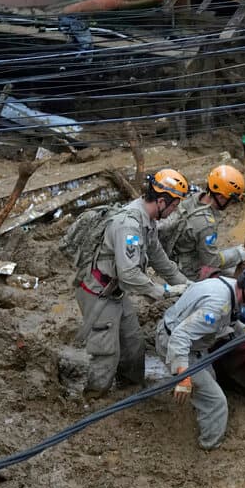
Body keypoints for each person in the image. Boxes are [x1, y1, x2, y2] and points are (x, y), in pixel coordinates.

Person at [75, 169, 194, 396]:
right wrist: (163, 291)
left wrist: (188, 286)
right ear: (161, 201)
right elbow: (129, 274)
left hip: (115, 291)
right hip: (97, 292)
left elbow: (160, 259)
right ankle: (94, 397)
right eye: (174, 206)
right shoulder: (129, 225)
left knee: (133, 343)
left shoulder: (146, 221)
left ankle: (130, 390)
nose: (174, 211)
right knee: (106, 351)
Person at [156, 260, 245, 450]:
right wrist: (183, 374)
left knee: (211, 380)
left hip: (191, 342)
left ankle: (195, 400)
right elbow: (180, 337)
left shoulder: (229, 287)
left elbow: (229, 319)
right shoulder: (217, 306)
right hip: (176, 345)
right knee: (216, 402)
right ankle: (210, 445)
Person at [158, 164, 245, 279]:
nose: (231, 204)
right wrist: (238, 254)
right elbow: (212, 261)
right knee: (229, 280)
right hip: (186, 268)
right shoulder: (206, 224)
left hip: (175, 251)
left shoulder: (194, 196)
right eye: (231, 200)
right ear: (222, 197)